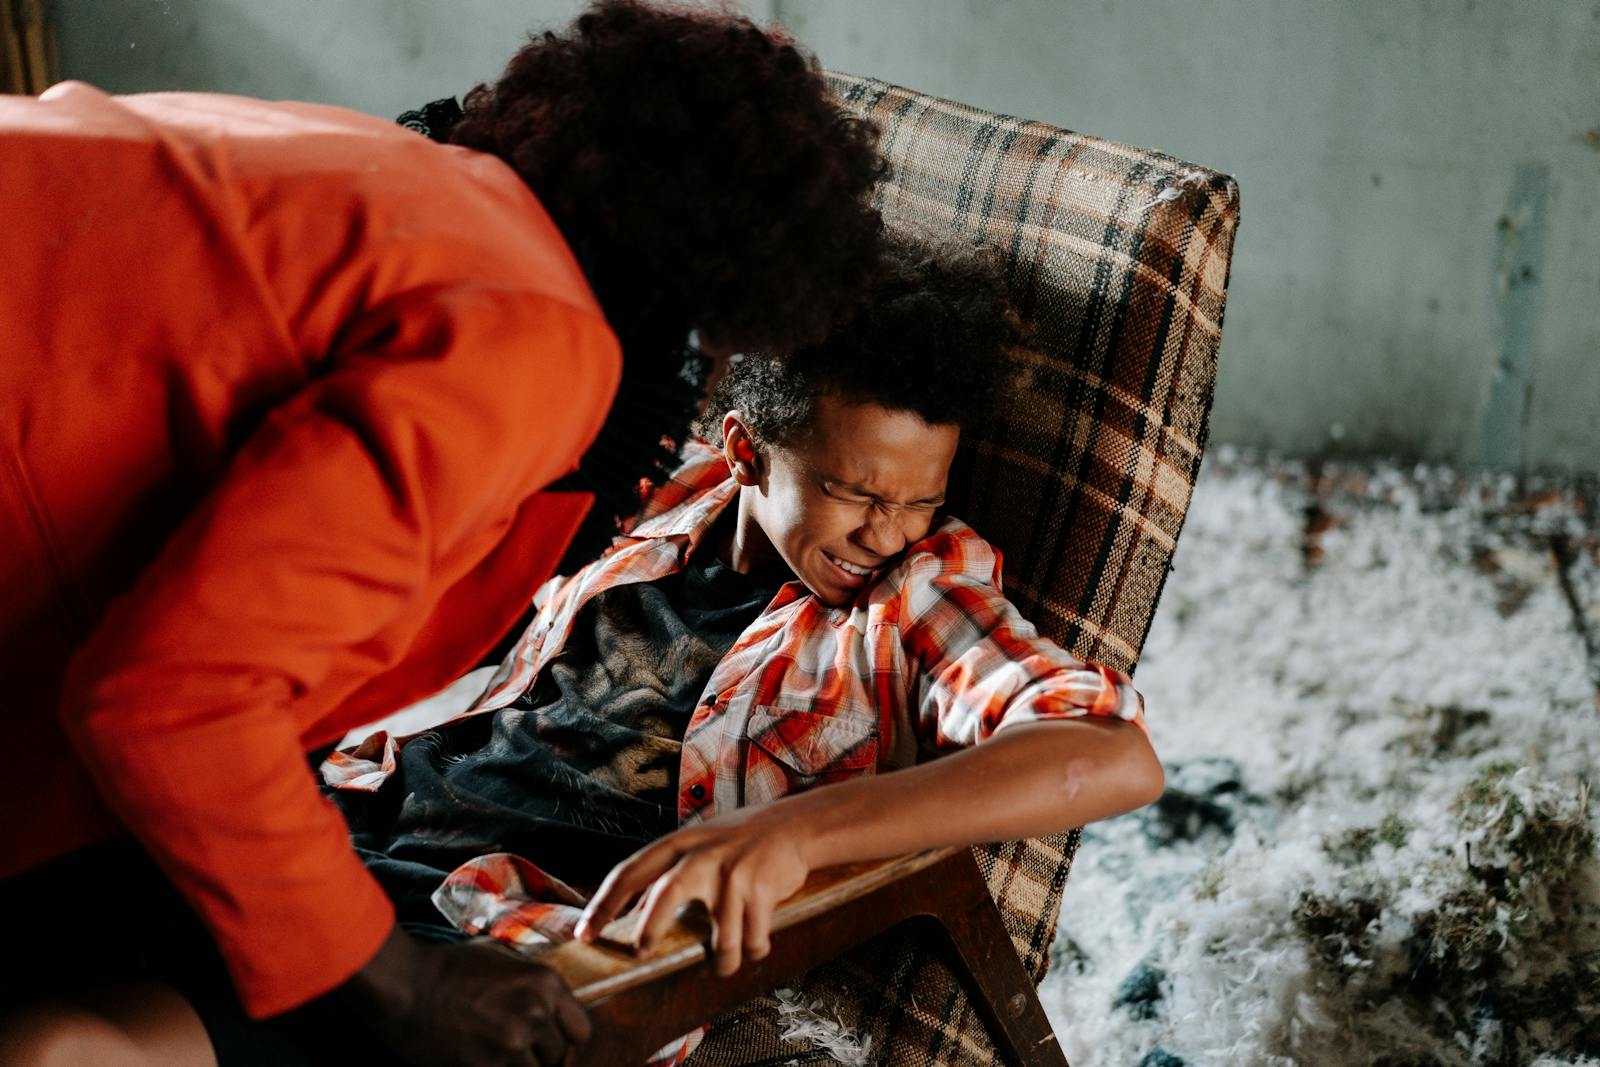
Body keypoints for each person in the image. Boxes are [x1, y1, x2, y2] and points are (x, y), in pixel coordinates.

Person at [0, 2, 887, 1064]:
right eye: (719, 351)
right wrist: (403, 979)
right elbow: (174, 698)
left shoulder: (392, 179)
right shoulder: (535, 335)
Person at [334, 239, 1163, 1064]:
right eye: (852, 492)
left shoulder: (916, 592)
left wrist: (792, 833)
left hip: (496, 927)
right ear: (743, 453)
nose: (885, 532)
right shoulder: (670, 485)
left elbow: (1113, 756)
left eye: (920, 500)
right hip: (360, 814)